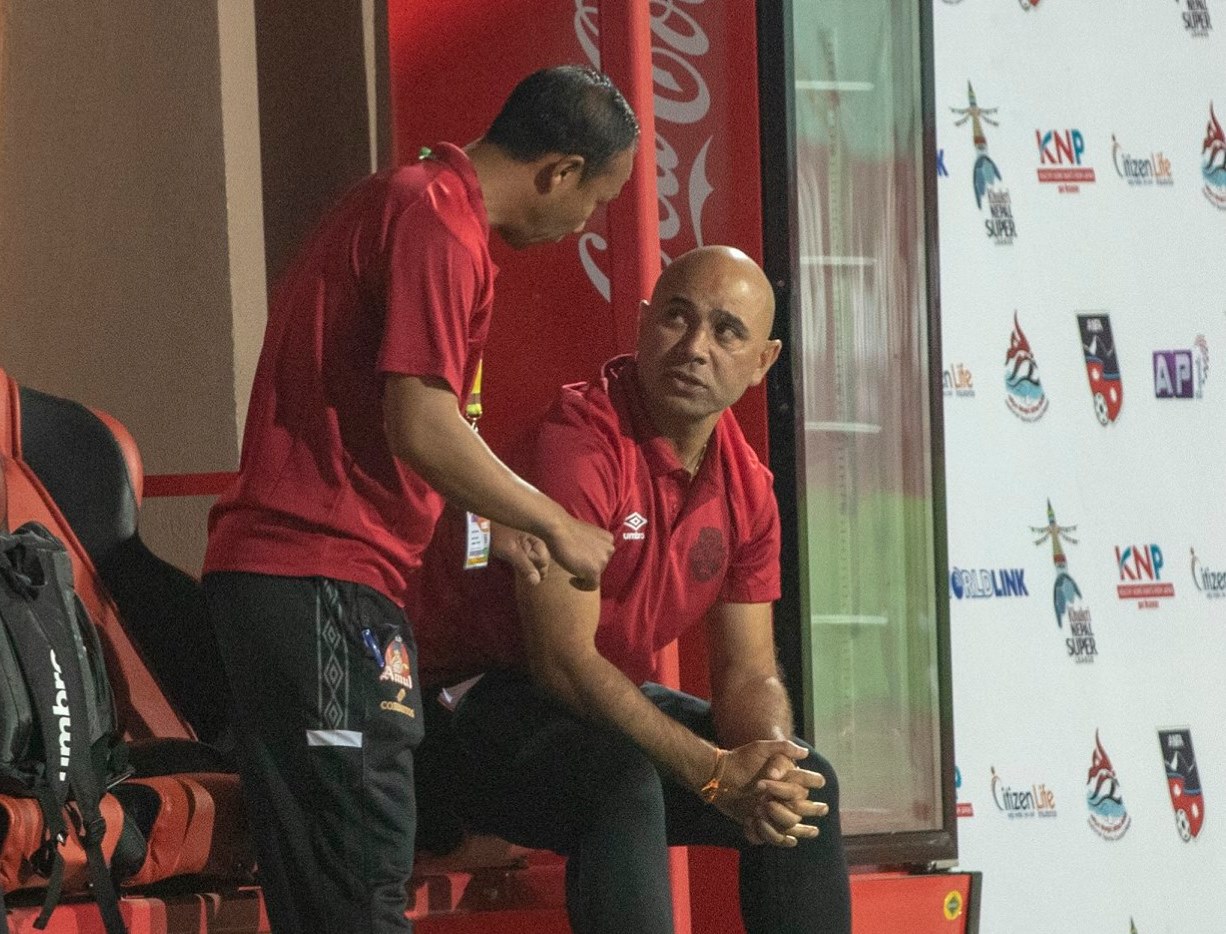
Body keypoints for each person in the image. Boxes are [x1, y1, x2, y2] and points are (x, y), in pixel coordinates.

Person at [201, 65, 638, 934]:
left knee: (332, 889)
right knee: (363, 878)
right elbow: (421, 426)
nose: (586, 223)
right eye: (597, 201)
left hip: (308, 584)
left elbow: (381, 439)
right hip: (321, 584)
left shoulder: (412, 201)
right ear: (559, 171)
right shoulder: (438, 223)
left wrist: (486, 533)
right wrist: (552, 519)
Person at [413, 246, 852, 934]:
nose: (695, 348)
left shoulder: (748, 487)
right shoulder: (581, 443)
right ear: (644, 324)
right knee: (619, 783)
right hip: (461, 710)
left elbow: (748, 671)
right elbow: (562, 662)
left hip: (588, 708)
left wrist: (765, 769)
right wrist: (715, 773)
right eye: (677, 318)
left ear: (763, 362)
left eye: (727, 331)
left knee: (805, 786)